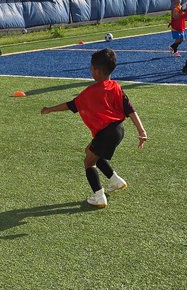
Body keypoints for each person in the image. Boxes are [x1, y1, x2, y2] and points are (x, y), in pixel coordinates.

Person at [41, 48, 146, 209]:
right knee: (90, 150)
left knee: (88, 162)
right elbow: (130, 109)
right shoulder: (116, 87)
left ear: (96, 71)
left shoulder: (90, 92)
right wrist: (141, 131)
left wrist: (49, 109)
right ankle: (115, 180)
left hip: (107, 133)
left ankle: (99, 196)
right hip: (119, 130)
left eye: (91, 68)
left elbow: (71, 105)